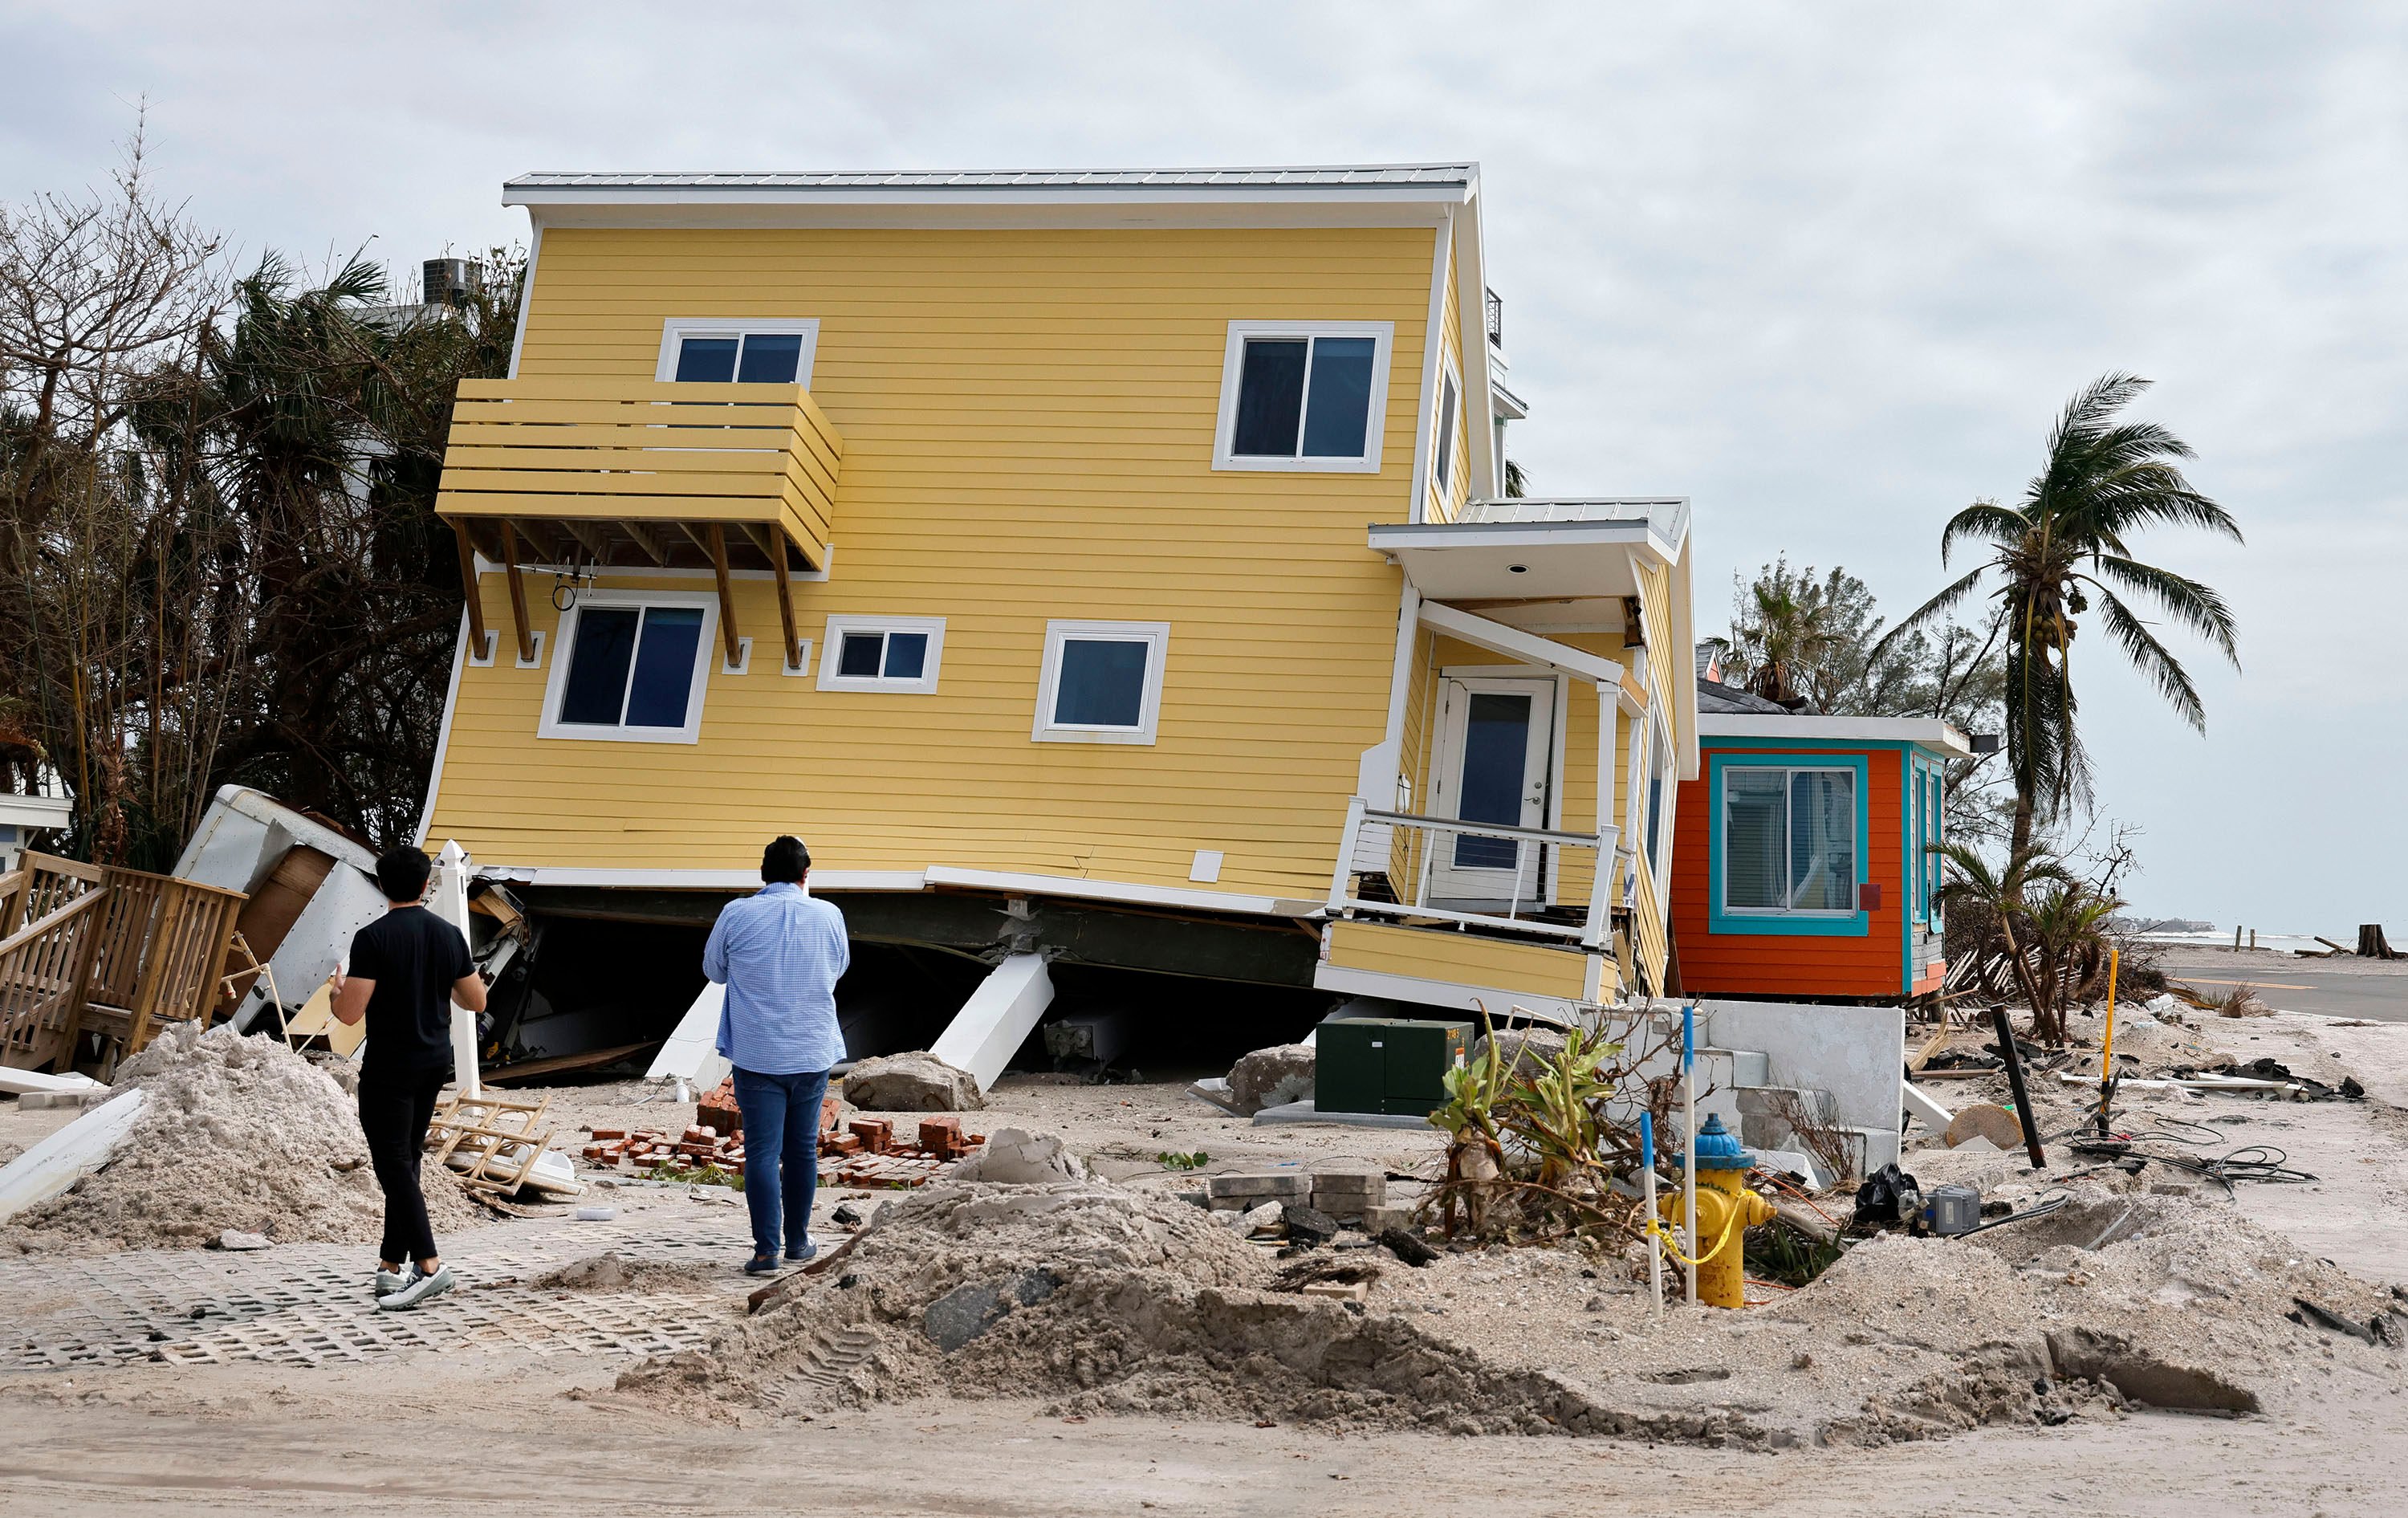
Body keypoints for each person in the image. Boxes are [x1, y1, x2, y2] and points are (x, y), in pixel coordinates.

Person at [330, 845, 488, 1311]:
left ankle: (431, 1266)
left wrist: (339, 992)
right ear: (426, 886)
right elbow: (475, 1002)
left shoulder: (372, 938)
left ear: (382, 885)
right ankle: (390, 1266)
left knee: (392, 1163)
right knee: (407, 1157)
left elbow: (350, 1013)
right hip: (433, 1061)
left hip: (389, 1065)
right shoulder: (448, 934)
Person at [702, 834, 849, 1275]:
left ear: (762, 875)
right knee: (803, 1151)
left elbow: (713, 971)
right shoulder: (829, 915)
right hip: (812, 1051)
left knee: (763, 1152)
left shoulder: (736, 914)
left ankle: (766, 1252)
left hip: (758, 1055)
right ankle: (799, 1243)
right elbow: (838, 968)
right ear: (807, 876)